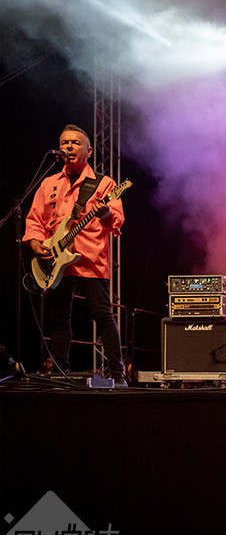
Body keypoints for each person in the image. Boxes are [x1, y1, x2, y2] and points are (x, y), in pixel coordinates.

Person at [24, 125, 126, 384]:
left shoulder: (104, 183)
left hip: (91, 258)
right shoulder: (48, 183)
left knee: (102, 314)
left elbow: (116, 220)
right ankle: (60, 372)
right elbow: (35, 220)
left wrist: (106, 213)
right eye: (64, 143)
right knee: (58, 317)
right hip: (56, 259)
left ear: (88, 151)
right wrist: (35, 243)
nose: (68, 147)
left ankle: (118, 375)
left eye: (75, 143)